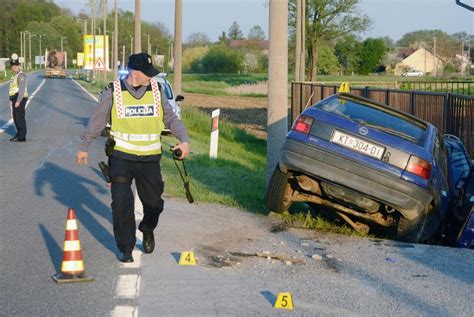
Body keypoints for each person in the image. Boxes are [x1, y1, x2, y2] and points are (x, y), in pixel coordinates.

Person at [76, 53, 190, 263]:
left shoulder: (157, 91)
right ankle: (126, 247)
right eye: (147, 74)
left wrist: (184, 140)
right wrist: (84, 146)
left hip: (150, 159)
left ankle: (147, 229)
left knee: (154, 204)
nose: (150, 77)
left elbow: (171, 118)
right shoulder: (114, 91)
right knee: (121, 203)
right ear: (134, 72)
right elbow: (97, 120)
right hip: (122, 157)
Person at [9, 54, 28, 142]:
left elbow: (21, 89)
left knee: (19, 117)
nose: (14, 67)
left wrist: (18, 101)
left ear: (19, 66)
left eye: (16, 65)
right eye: (13, 66)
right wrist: (10, 100)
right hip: (14, 98)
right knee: (15, 118)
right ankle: (18, 134)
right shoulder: (14, 76)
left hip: (19, 98)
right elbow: (12, 89)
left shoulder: (21, 75)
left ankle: (22, 136)